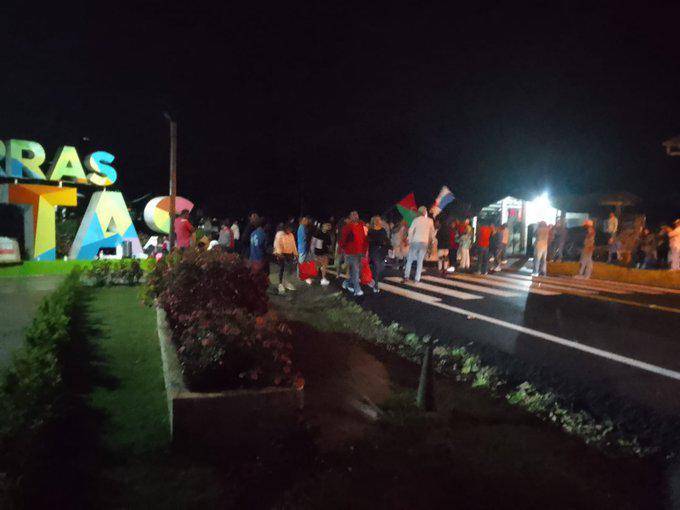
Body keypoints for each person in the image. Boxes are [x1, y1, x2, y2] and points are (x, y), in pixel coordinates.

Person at [339, 211, 368, 296]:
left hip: (360, 252)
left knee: (357, 272)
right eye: (353, 215)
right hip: (351, 253)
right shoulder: (347, 227)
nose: (355, 216)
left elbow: (365, 239)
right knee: (355, 271)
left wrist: (364, 251)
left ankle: (346, 283)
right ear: (350, 217)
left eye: (356, 214)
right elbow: (342, 241)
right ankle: (357, 289)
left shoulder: (362, 226)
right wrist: (345, 250)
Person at [403, 206, 435, 283]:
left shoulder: (416, 220)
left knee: (409, 260)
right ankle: (417, 279)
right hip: (424, 242)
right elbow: (432, 233)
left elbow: (410, 230)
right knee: (420, 261)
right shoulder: (430, 221)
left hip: (415, 241)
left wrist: (409, 240)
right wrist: (431, 242)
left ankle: (406, 277)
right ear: (425, 212)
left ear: (419, 212)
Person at [273, 223, 298, 294]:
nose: (290, 230)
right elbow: (277, 244)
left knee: (289, 268)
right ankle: (280, 284)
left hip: (289, 254)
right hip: (281, 254)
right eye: (289, 229)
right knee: (282, 268)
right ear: (285, 228)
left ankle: (286, 282)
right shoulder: (280, 234)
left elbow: (293, 245)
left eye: (291, 229)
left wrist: (296, 254)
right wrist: (279, 254)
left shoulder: (291, 235)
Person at [367, 215, 390, 292]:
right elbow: (369, 240)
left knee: (381, 267)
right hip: (374, 251)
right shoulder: (371, 230)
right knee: (377, 267)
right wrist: (378, 242)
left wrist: (389, 246)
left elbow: (386, 239)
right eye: (377, 220)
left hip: (382, 252)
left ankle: (372, 278)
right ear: (374, 221)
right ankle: (375, 285)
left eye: (379, 220)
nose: (379, 221)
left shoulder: (383, 230)